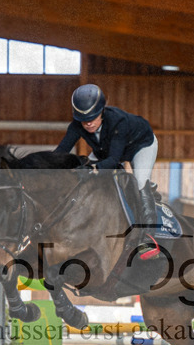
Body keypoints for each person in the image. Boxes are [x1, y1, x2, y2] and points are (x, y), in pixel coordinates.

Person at [53, 84, 161, 246]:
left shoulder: (118, 121)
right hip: (106, 148)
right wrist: (42, 168)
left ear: (102, 111)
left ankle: (149, 236)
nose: (88, 123)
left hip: (140, 145)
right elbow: (61, 152)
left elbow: (113, 161)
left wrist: (91, 169)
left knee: (139, 182)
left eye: (92, 117)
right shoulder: (76, 125)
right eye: (83, 120)